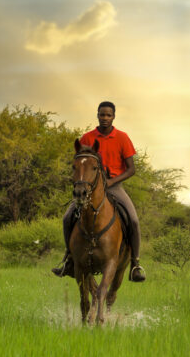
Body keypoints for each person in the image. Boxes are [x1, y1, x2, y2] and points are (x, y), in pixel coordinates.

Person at [52, 100, 146, 282]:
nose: (105, 118)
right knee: (67, 217)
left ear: (113, 117)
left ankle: (135, 264)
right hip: (90, 188)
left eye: (108, 115)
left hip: (114, 186)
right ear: (97, 115)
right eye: (102, 114)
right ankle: (69, 259)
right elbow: (82, 164)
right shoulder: (87, 138)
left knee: (133, 220)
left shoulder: (122, 138)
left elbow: (131, 169)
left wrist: (111, 181)